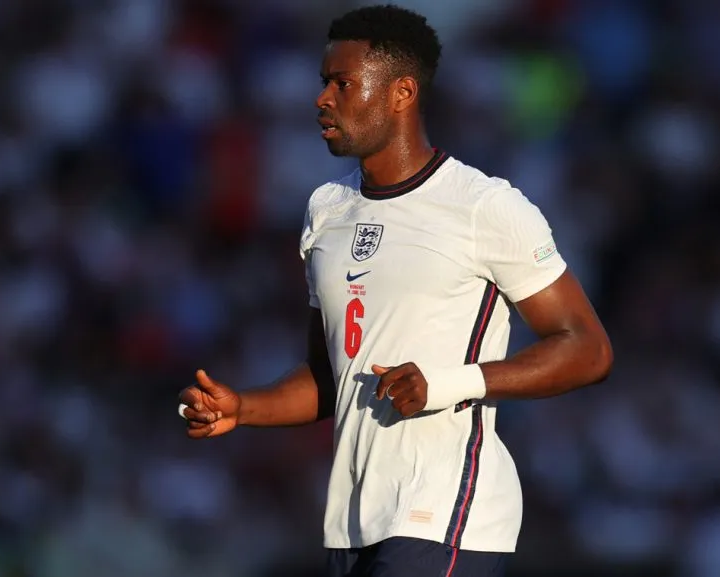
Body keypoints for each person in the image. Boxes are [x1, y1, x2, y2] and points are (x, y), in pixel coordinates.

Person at [178, 5, 613, 576]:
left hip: (447, 514)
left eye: (343, 84)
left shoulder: (485, 206)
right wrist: (246, 407)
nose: (322, 99)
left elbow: (587, 347)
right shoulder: (326, 210)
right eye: (322, 82)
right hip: (354, 521)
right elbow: (333, 375)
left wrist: (446, 384)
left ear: (401, 93)